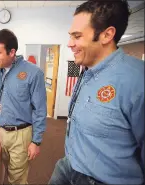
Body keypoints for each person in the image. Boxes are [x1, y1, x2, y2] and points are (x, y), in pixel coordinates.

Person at [49, 0, 144, 184]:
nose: (70, 43)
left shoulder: (137, 81)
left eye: (77, 36)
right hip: (68, 166)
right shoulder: (87, 68)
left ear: (107, 35)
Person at [0, 29, 47, 184]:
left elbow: (40, 110)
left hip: (21, 134)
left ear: (12, 52)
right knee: (6, 169)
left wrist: (36, 141)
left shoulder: (33, 73)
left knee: (17, 177)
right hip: (1, 132)